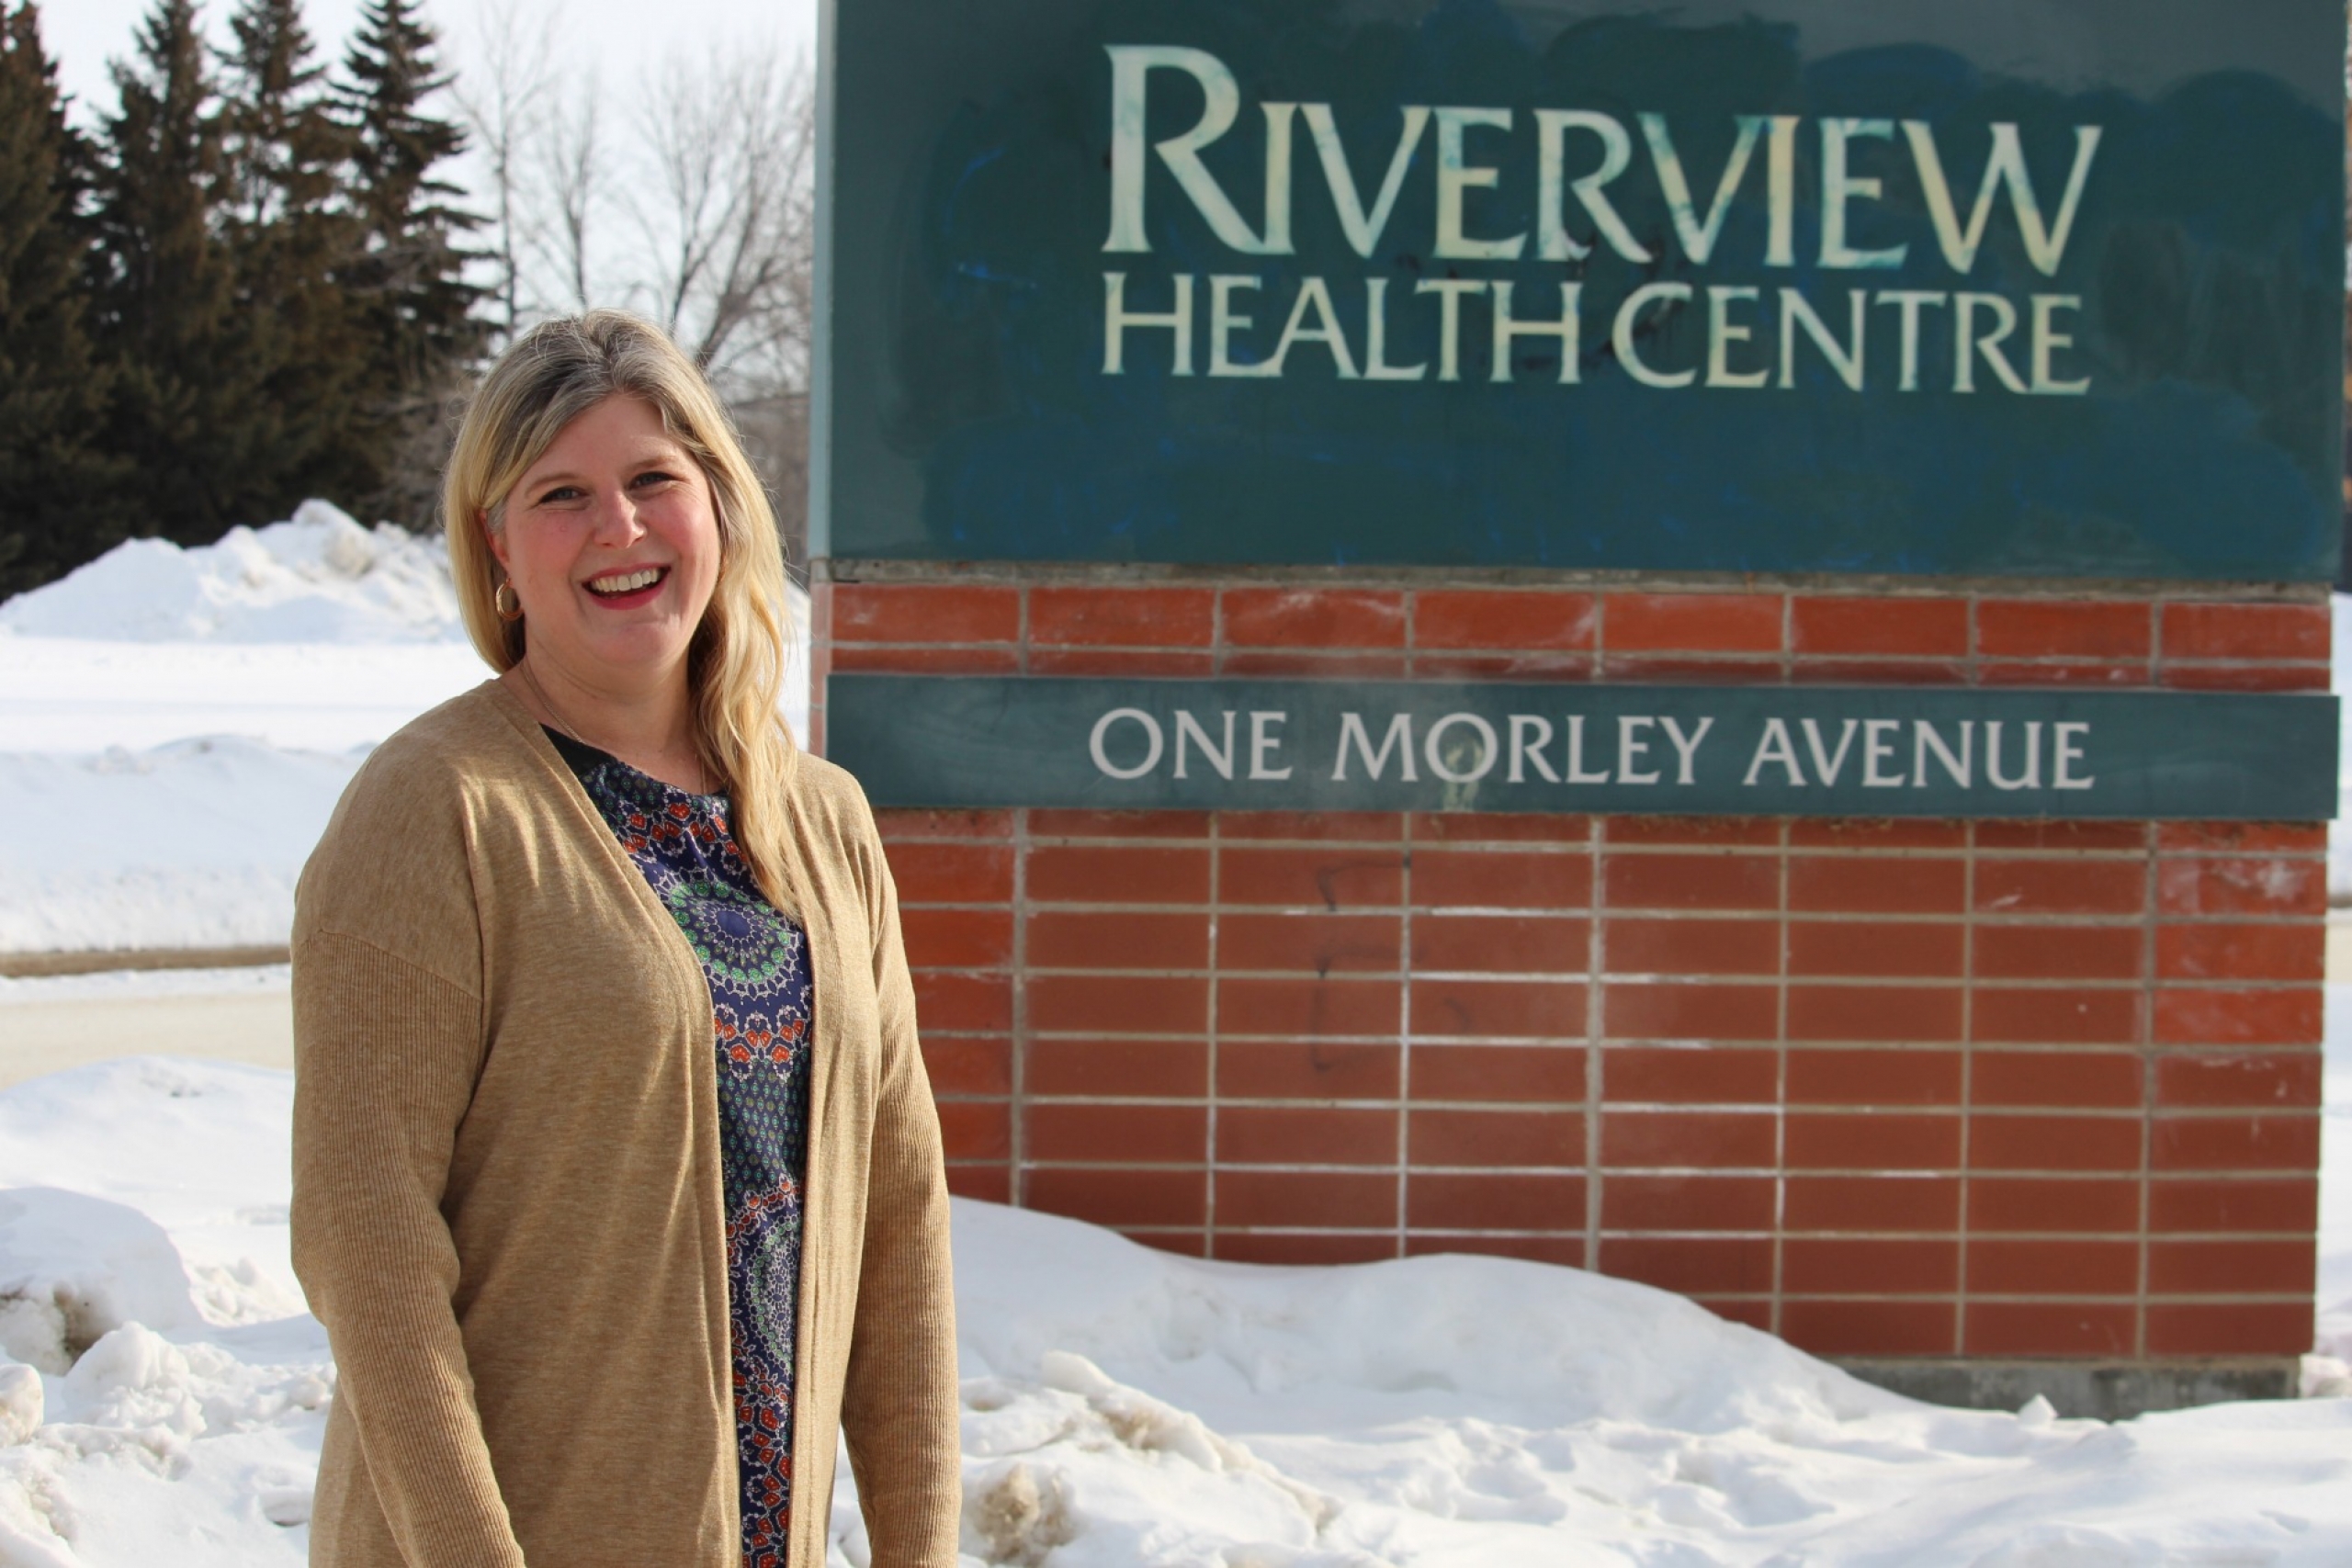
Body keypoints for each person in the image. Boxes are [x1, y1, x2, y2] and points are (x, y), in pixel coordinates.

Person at [288, 310, 959, 1568]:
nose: (622, 528)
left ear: (719, 500)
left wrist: (919, 1549)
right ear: (496, 545)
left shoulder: (826, 821)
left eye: (656, 478)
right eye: (562, 494)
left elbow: (900, 1223)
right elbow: (365, 1244)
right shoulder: (437, 809)